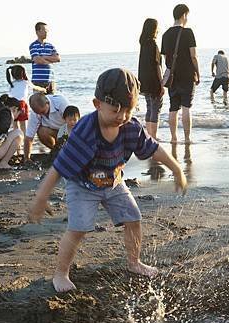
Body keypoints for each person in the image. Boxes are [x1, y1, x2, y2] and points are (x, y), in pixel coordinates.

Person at [28, 68, 187, 292]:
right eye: (115, 110)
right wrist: (41, 197)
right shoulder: (85, 131)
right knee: (78, 228)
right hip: (82, 185)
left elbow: (154, 149)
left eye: (128, 111)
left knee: (133, 218)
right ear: (97, 104)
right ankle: (61, 273)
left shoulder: (130, 128)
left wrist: (177, 168)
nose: (122, 117)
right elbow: (59, 168)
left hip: (114, 182)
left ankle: (134, 262)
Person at [161, 4, 200, 144]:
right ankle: (187, 138)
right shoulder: (188, 32)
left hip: (173, 77)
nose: (187, 19)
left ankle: (173, 138)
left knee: (173, 107)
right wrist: (198, 72)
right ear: (184, 15)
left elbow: (166, 59)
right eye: (187, 16)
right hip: (187, 75)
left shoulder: (165, 35)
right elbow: (193, 56)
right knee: (186, 107)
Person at [138, 18, 164, 139]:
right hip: (154, 82)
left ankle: (148, 135)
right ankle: (154, 136)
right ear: (154, 29)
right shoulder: (153, 44)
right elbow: (157, 66)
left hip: (144, 81)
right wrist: (162, 83)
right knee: (156, 108)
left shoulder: (143, 44)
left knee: (149, 107)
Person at [24, 92, 69, 161]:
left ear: (47, 103)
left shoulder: (61, 103)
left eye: (43, 112)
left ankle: (67, 151)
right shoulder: (35, 113)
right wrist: (27, 158)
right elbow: (29, 137)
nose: (41, 115)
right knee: (41, 131)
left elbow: (75, 125)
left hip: (67, 131)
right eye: (38, 113)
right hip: (53, 132)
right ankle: (57, 151)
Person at [6, 64, 47, 135]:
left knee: (15, 125)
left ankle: (17, 141)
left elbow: (10, 94)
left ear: (12, 74)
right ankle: (25, 140)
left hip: (11, 105)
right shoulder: (25, 82)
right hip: (21, 104)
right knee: (23, 125)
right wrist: (43, 89)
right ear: (23, 73)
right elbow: (36, 87)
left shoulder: (11, 84)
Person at [29, 22, 61, 93]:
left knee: (52, 102)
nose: (46, 32)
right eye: (44, 30)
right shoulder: (33, 45)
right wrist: (50, 60)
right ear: (37, 32)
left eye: (47, 30)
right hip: (38, 81)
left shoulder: (50, 46)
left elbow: (58, 58)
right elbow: (37, 60)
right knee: (38, 102)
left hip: (50, 81)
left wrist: (43, 57)